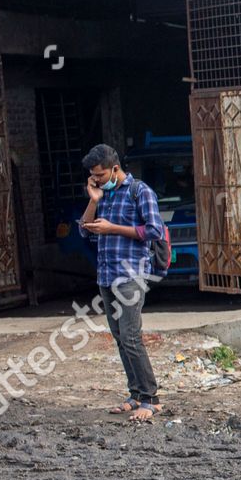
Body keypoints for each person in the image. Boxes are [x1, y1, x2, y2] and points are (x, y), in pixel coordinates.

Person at [78, 144, 164, 423]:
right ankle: (135, 394)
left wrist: (112, 228)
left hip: (131, 276)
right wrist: (93, 199)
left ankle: (151, 399)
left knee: (130, 337)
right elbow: (84, 229)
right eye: (93, 176)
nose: (97, 180)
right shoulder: (102, 195)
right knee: (119, 338)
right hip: (106, 276)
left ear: (115, 169)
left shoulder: (140, 192)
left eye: (100, 175)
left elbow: (153, 230)